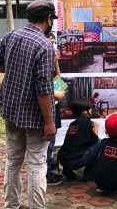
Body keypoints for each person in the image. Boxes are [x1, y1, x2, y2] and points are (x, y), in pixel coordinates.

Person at [0, 0, 58, 209]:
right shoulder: (44, 45)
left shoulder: (12, 35)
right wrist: (49, 122)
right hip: (35, 118)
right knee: (36, 165)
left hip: (10, 110)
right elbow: (43, 88)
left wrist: (15, 69)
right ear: (48, 19)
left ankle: (11, 205)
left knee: (13, 161)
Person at [57, 98, 101, 182]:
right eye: (90, 109)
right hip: (75, 162)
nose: (91, 111)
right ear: (85, 113)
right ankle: (89, 173)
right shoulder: (86, 121)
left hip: (63, 161)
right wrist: (96, 127)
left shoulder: (73, 124)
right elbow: (94, 140)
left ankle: (68, 171)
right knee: (99, 143)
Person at [46, 33, 66, 185]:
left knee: (51, 143)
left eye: (54, 42)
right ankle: (46, 174)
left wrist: (56, 63)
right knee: (48, 143)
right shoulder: (41, 64)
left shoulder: (51, 64)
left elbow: (60, 85)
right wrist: (57, 93)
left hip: (54, 109)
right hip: (47, 110)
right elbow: (59, 94)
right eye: (50, 41)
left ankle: (47, 169)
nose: (53, 45)